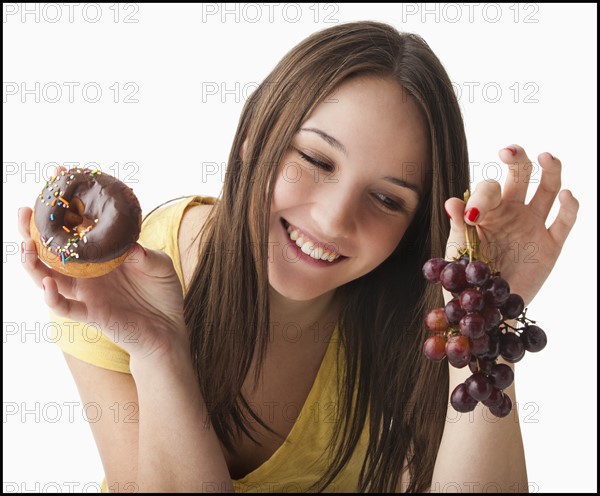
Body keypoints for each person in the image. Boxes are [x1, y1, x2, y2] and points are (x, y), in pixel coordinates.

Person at [18, 21, 578, 493]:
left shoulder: (427, 313)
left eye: (387, 199)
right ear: (254, 136)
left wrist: (482, 320)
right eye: (315, 158)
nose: (334, 219)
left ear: (415, 230)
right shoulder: (117, 283)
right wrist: (159, 350)